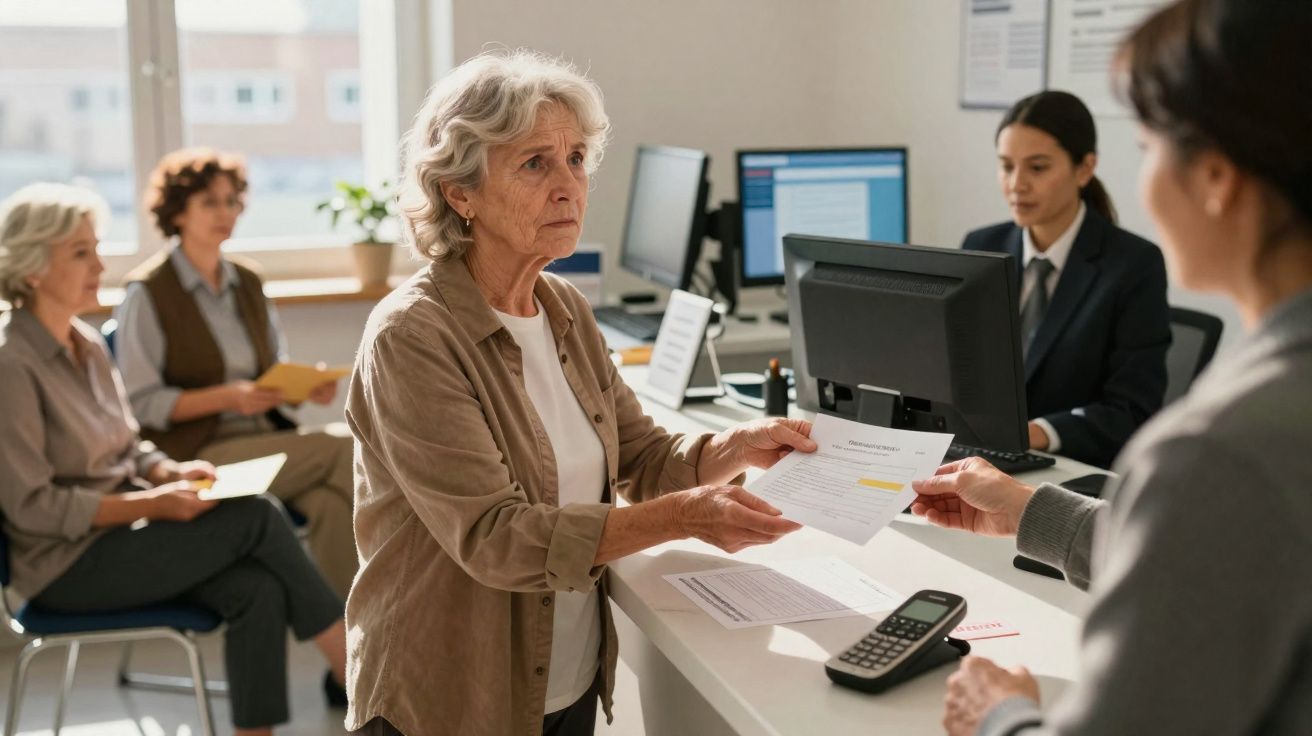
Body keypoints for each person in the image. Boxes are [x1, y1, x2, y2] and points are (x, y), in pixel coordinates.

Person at [345, 50, 815, 736]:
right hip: (449, 699)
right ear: (460, 192)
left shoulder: (561, 306)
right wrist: (687, 516)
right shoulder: (412, 337)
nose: (568, 185)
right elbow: (496, 538)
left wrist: (735, 445)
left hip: (563, 684)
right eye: (534, 163)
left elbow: (641, 457)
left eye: (576, 159)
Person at [913, 2, 1312, 733]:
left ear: (1216, 176)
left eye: (1150, 145)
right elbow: (1215, 563)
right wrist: (1030, 509)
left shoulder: (1218, 451)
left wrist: (999, 715)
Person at [0, 183, 349, 736]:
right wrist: (154, 505)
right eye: (81, 252)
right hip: (63, 567)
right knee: (256, 515)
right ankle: (355, 671)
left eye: (96, 247)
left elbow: (130, 443)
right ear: (33, 268)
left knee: (256, 588)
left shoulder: (87, 344)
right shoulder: (10, 363)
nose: (101, 263)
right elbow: (32, 508)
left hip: (121, 535)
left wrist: (169, 472)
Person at [112, 148, 357, 597]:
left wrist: (300, 390)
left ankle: (345, 655)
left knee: (332, 503)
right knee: (346, 447)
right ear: (177, 212)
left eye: (232, 201)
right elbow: (141, 404)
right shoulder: (148, 293)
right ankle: (396, 617)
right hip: (199, 456)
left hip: (265, 438)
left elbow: (271, 372)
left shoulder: (248, 281)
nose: (225, 212)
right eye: (209, 202)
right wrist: (228, 397)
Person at [962, 90, 1171, 469]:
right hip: (980, 459)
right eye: (1006, 166)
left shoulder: (1133, 265)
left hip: (1068, 471)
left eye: (1037, 168)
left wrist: (1038, 432)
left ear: (1084, 168)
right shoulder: (981, 246)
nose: (1017, 184)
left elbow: (1132, 412)